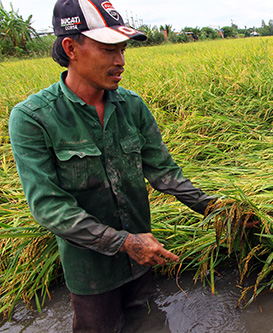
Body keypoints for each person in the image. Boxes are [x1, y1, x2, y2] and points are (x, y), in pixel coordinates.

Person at [8, 0, 214, 331]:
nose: (120, 62)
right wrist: (123, 242)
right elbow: (48, 206)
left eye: (123, 50)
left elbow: (164, 172)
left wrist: (217, 210)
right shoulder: (33, 118)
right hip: (91, 274)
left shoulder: (131, 106)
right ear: (71, 48)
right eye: (108, 50)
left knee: (148, 323)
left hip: (142, 262)